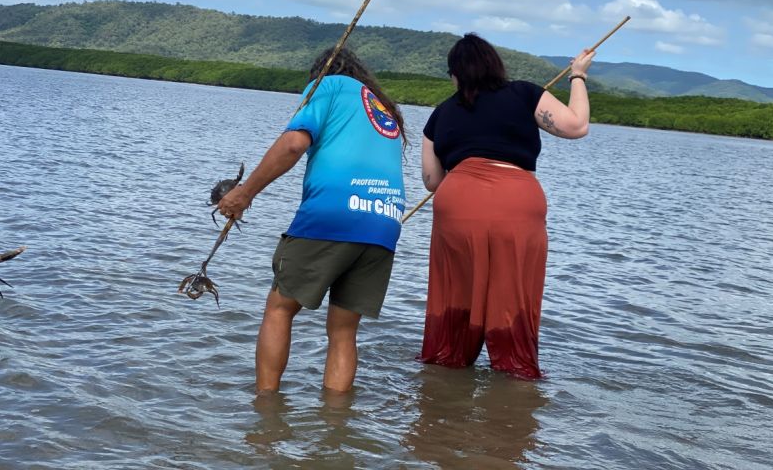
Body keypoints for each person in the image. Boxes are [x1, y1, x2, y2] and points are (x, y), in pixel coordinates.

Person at [217, 47, 407, 393]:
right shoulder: (383, 107)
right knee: (344, 330)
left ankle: (265, 410)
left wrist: (245, 192)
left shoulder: (328, 85)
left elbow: (293, 145)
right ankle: (335, 424)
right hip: (384, 221)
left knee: (280, 307)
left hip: (335, 212)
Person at [418, 33, 595, 379]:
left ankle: (445, 368)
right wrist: (578, 75)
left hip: (458, 204)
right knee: (513, 294)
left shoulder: (440, 114)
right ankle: (514, 374)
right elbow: (577, 126)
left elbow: (432, 181)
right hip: (517, 202)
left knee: (455, 292)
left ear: (456, 74)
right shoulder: (525, 93)